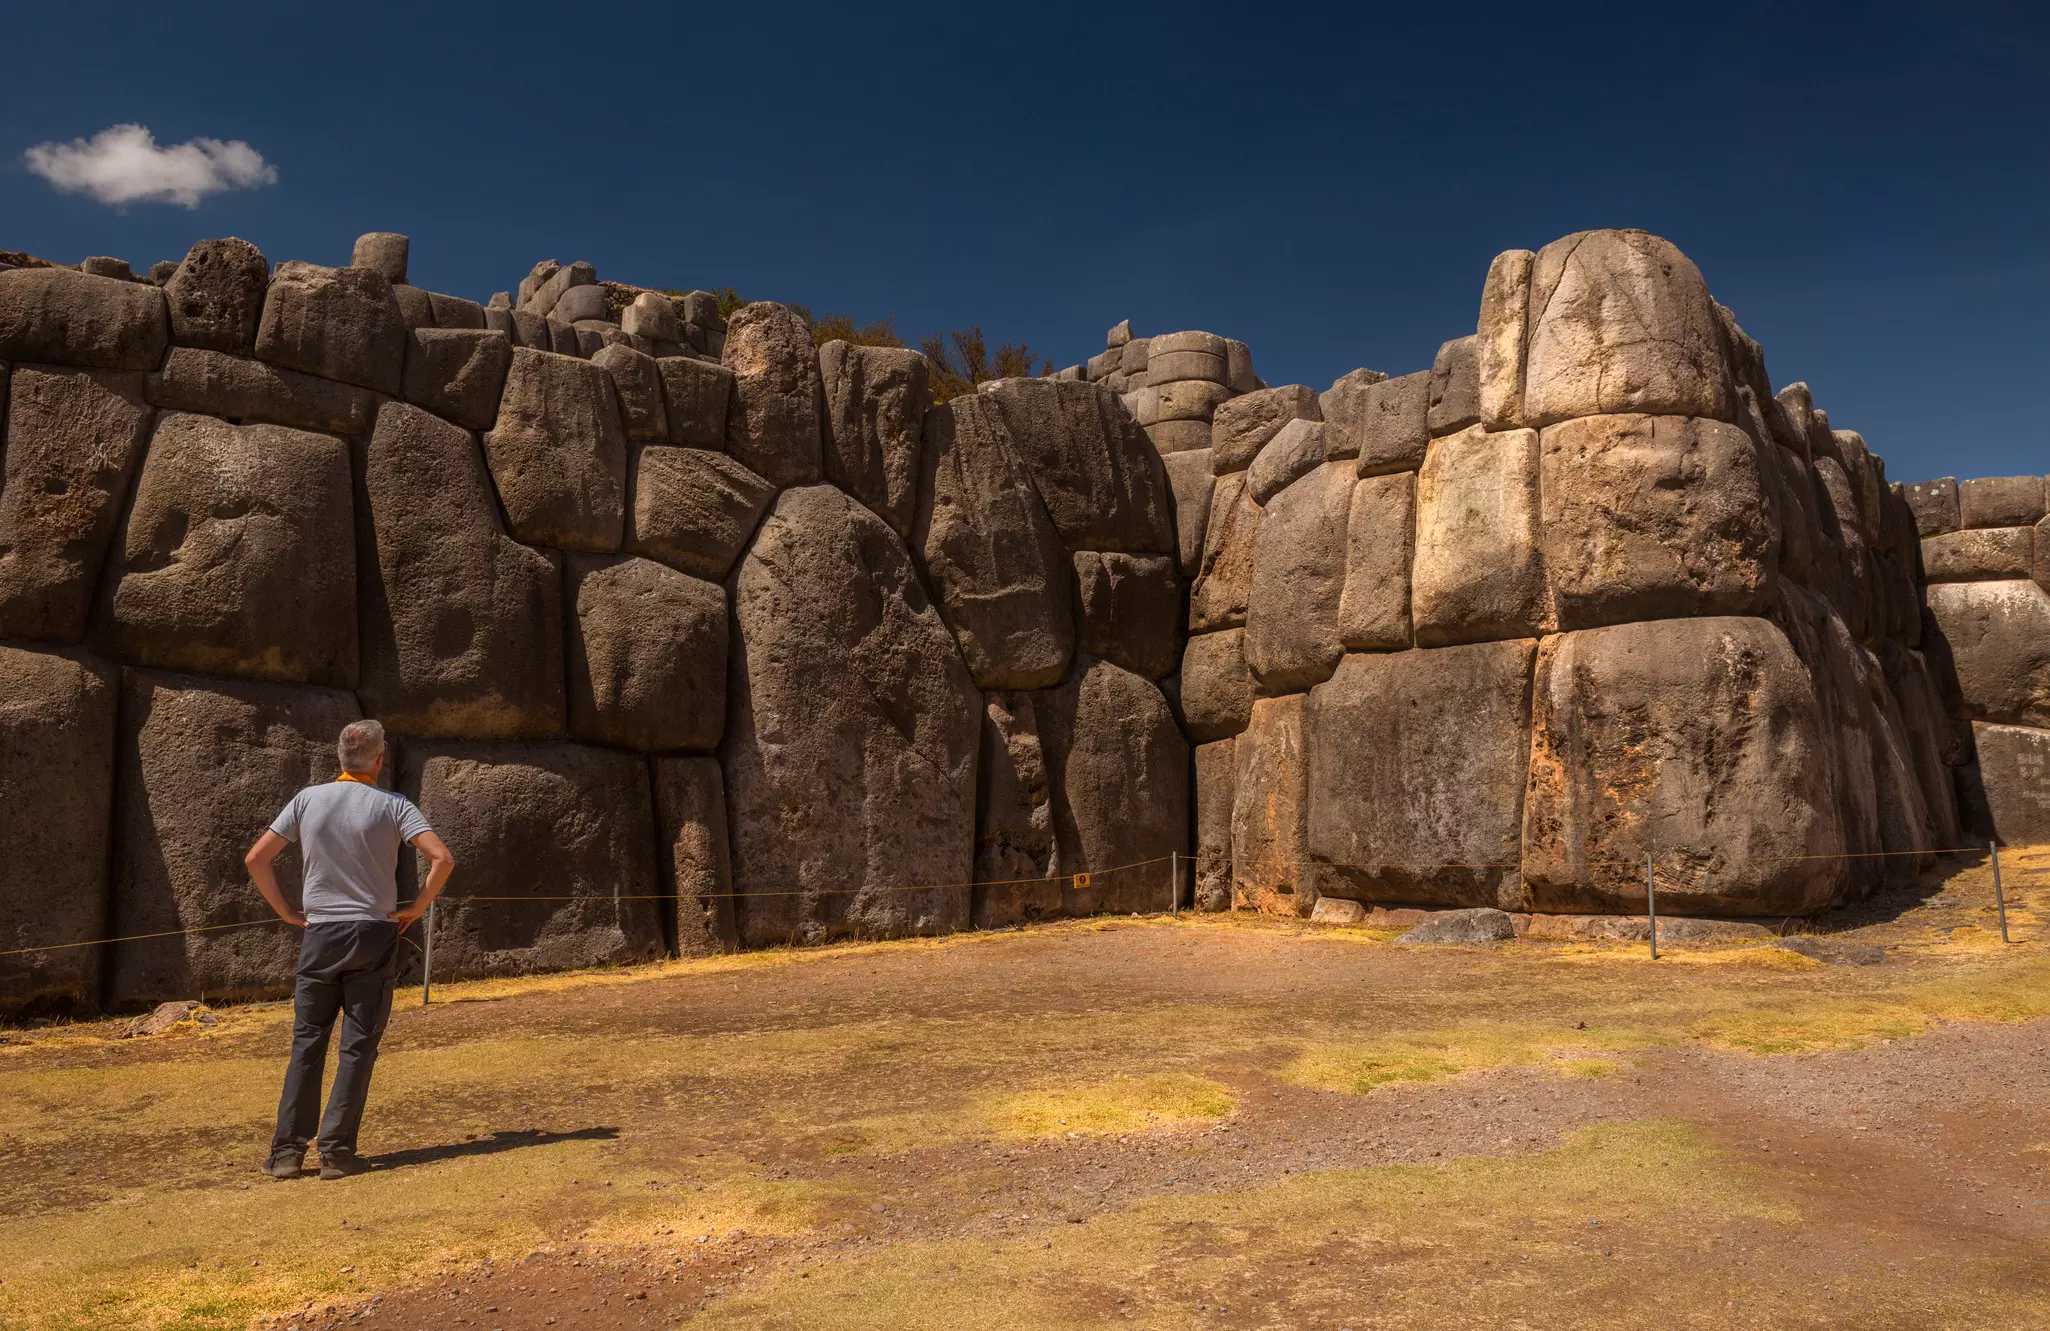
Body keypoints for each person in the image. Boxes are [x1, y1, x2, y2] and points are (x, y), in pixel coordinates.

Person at [245, 719, 456, 1180]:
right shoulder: (395, 805)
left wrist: (285, 912)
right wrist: (417, 907)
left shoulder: (307, 800)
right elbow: (441, 858)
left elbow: (256, 858)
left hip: (320, 933)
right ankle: (337, 1153)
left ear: (338, 758)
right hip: (374, 934)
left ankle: (286, 1153)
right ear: (379, 760)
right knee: (358, 1047)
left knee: (307, 1043)